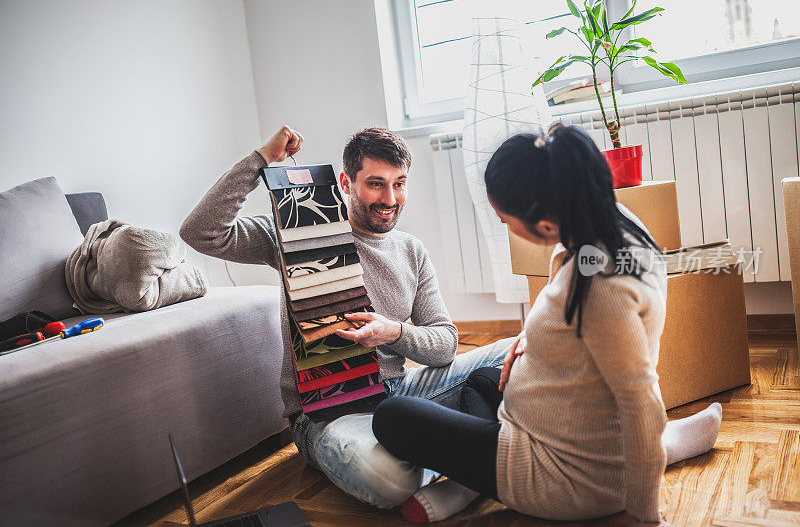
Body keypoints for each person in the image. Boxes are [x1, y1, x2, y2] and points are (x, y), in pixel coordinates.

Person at [372, 124, 723, 524]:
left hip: (561, 477)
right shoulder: (608, 223)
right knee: (483, 380)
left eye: (506, 219)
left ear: (544, 222)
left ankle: (468, 484)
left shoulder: (600, 286)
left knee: (392, 415)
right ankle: (667, 442)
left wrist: (646, 515)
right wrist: (530, 339)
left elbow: (640, 398)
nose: (507, 228)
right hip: (572, 429)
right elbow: (574, 314)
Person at [179, 125, 514, 507]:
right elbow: (200, 231)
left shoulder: (411, 251)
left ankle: (460, 461)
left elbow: (445, 345)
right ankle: (478, 456)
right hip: (328, 414)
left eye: (399, 183)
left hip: (401, 394)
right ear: (345, 182)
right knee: (391, 481)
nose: (391, 198)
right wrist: (262, 160)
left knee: (515, 351)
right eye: (376, 184)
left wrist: (394, 333)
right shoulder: (296, 235)